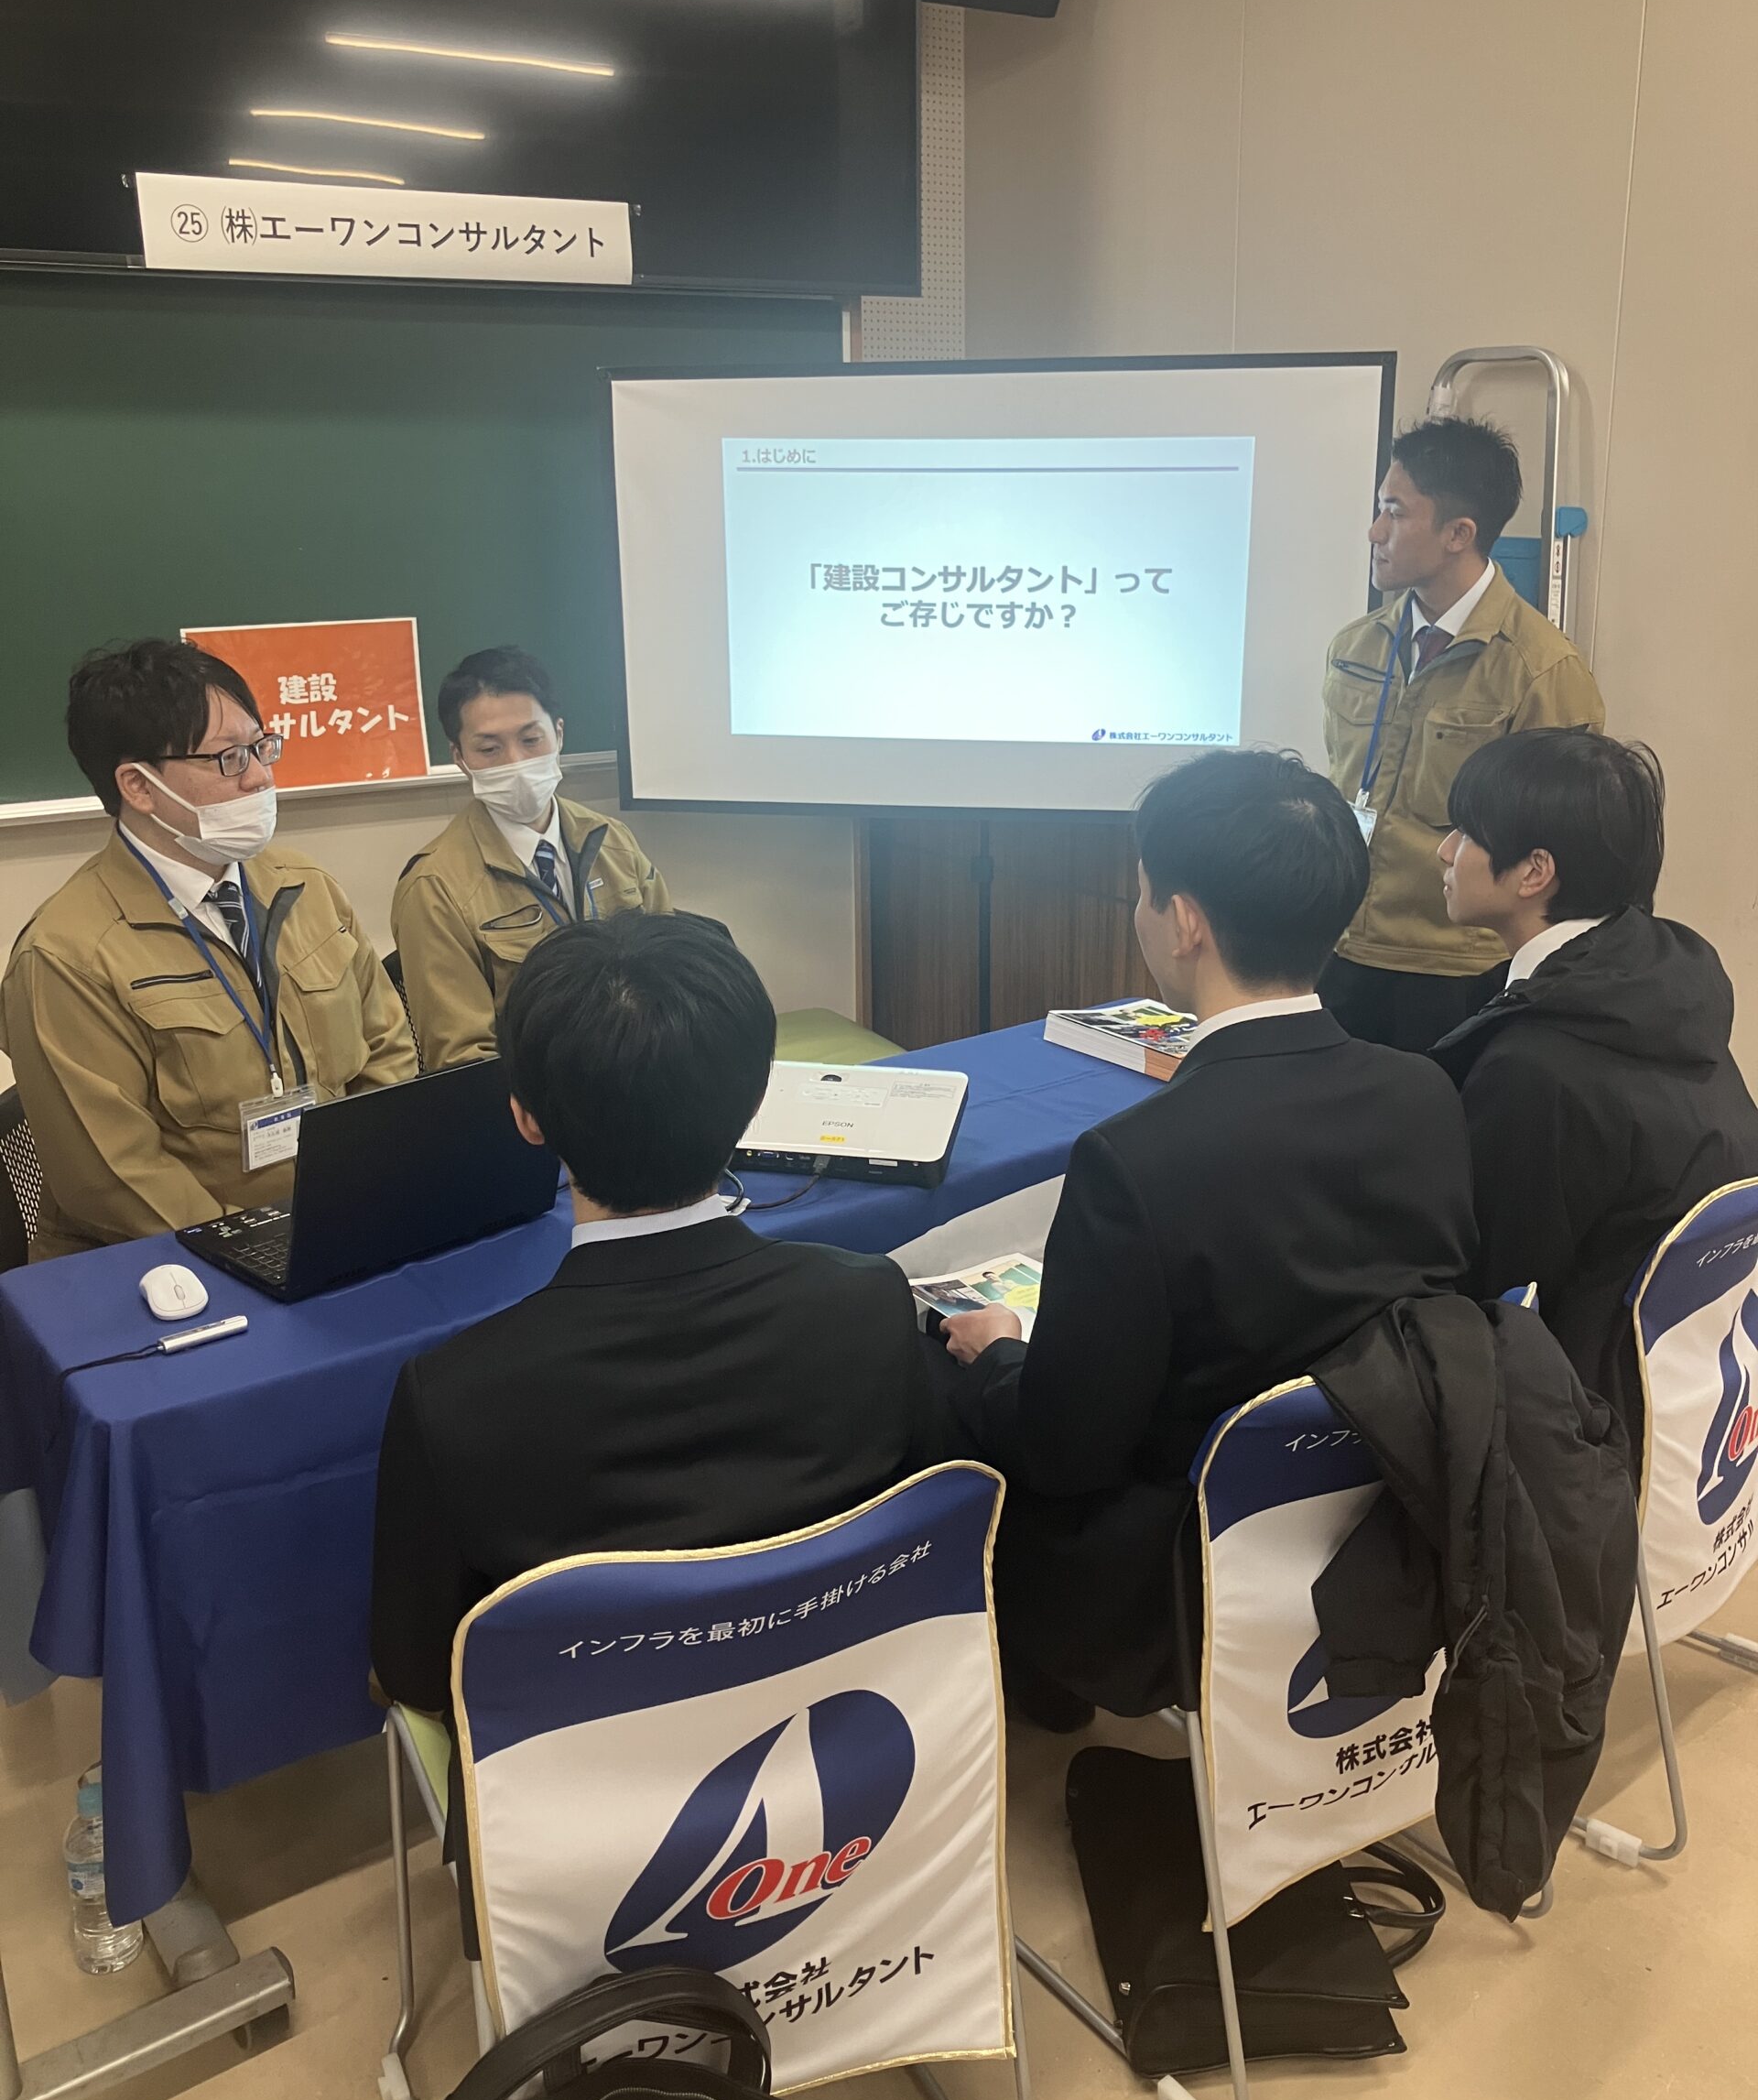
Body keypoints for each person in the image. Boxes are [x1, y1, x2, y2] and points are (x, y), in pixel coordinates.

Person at [934, 748, 1477, 1721]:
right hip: (1387, 1518)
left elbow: (1063, 1451)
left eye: (1144, 891)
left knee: (947, 1377)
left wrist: (999, 1356)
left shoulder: (1135, 1158)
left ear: (1184, 922)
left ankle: (1045, 1687)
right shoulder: (1426, 1093)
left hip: (1177, 1571)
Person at [371, 909, 932, 1715]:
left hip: (580, 1775)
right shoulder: (870, 1303)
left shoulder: (454, 1395)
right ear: (757, 1098)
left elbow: (420, 1673)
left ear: (526, 1117)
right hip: (841, 1735)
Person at [0, 638, 417, 1258]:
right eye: (229, 759)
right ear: (139, 786)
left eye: (261, 746)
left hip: (340, 1224)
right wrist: (260, 1248)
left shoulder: (306, 887)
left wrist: (365, 1196)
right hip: (172, 1266)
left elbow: (388, 1050)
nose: (260, 776)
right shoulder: (65, 956)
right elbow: (113, 1179)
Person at [1430, 728, 1758, 1444]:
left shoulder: (1539, 1064)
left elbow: (1485, 1295)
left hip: (1571, 1421)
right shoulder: (1665, 983)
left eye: (1466, 833)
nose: (1444, 852)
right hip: (1683, 1391)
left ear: (1534, 872)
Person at [1321, 415, 1604, 1053]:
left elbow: (1563, 852)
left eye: (1395, 513)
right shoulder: (1355, 647)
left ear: (1459, 534)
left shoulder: (1540, 670)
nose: (1375, 532)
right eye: (1379, 509)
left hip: (1457, 970)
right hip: (1339, 947)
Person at [391, 646, 671, 1068]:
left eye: (530, 740)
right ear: (460, 758)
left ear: (558, 734)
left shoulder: (612, 841)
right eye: (489, 749)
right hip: (532, 1098)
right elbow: (464, 1060)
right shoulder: (435, 888)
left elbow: (672, 970)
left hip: (640, 1073)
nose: (516, 762)